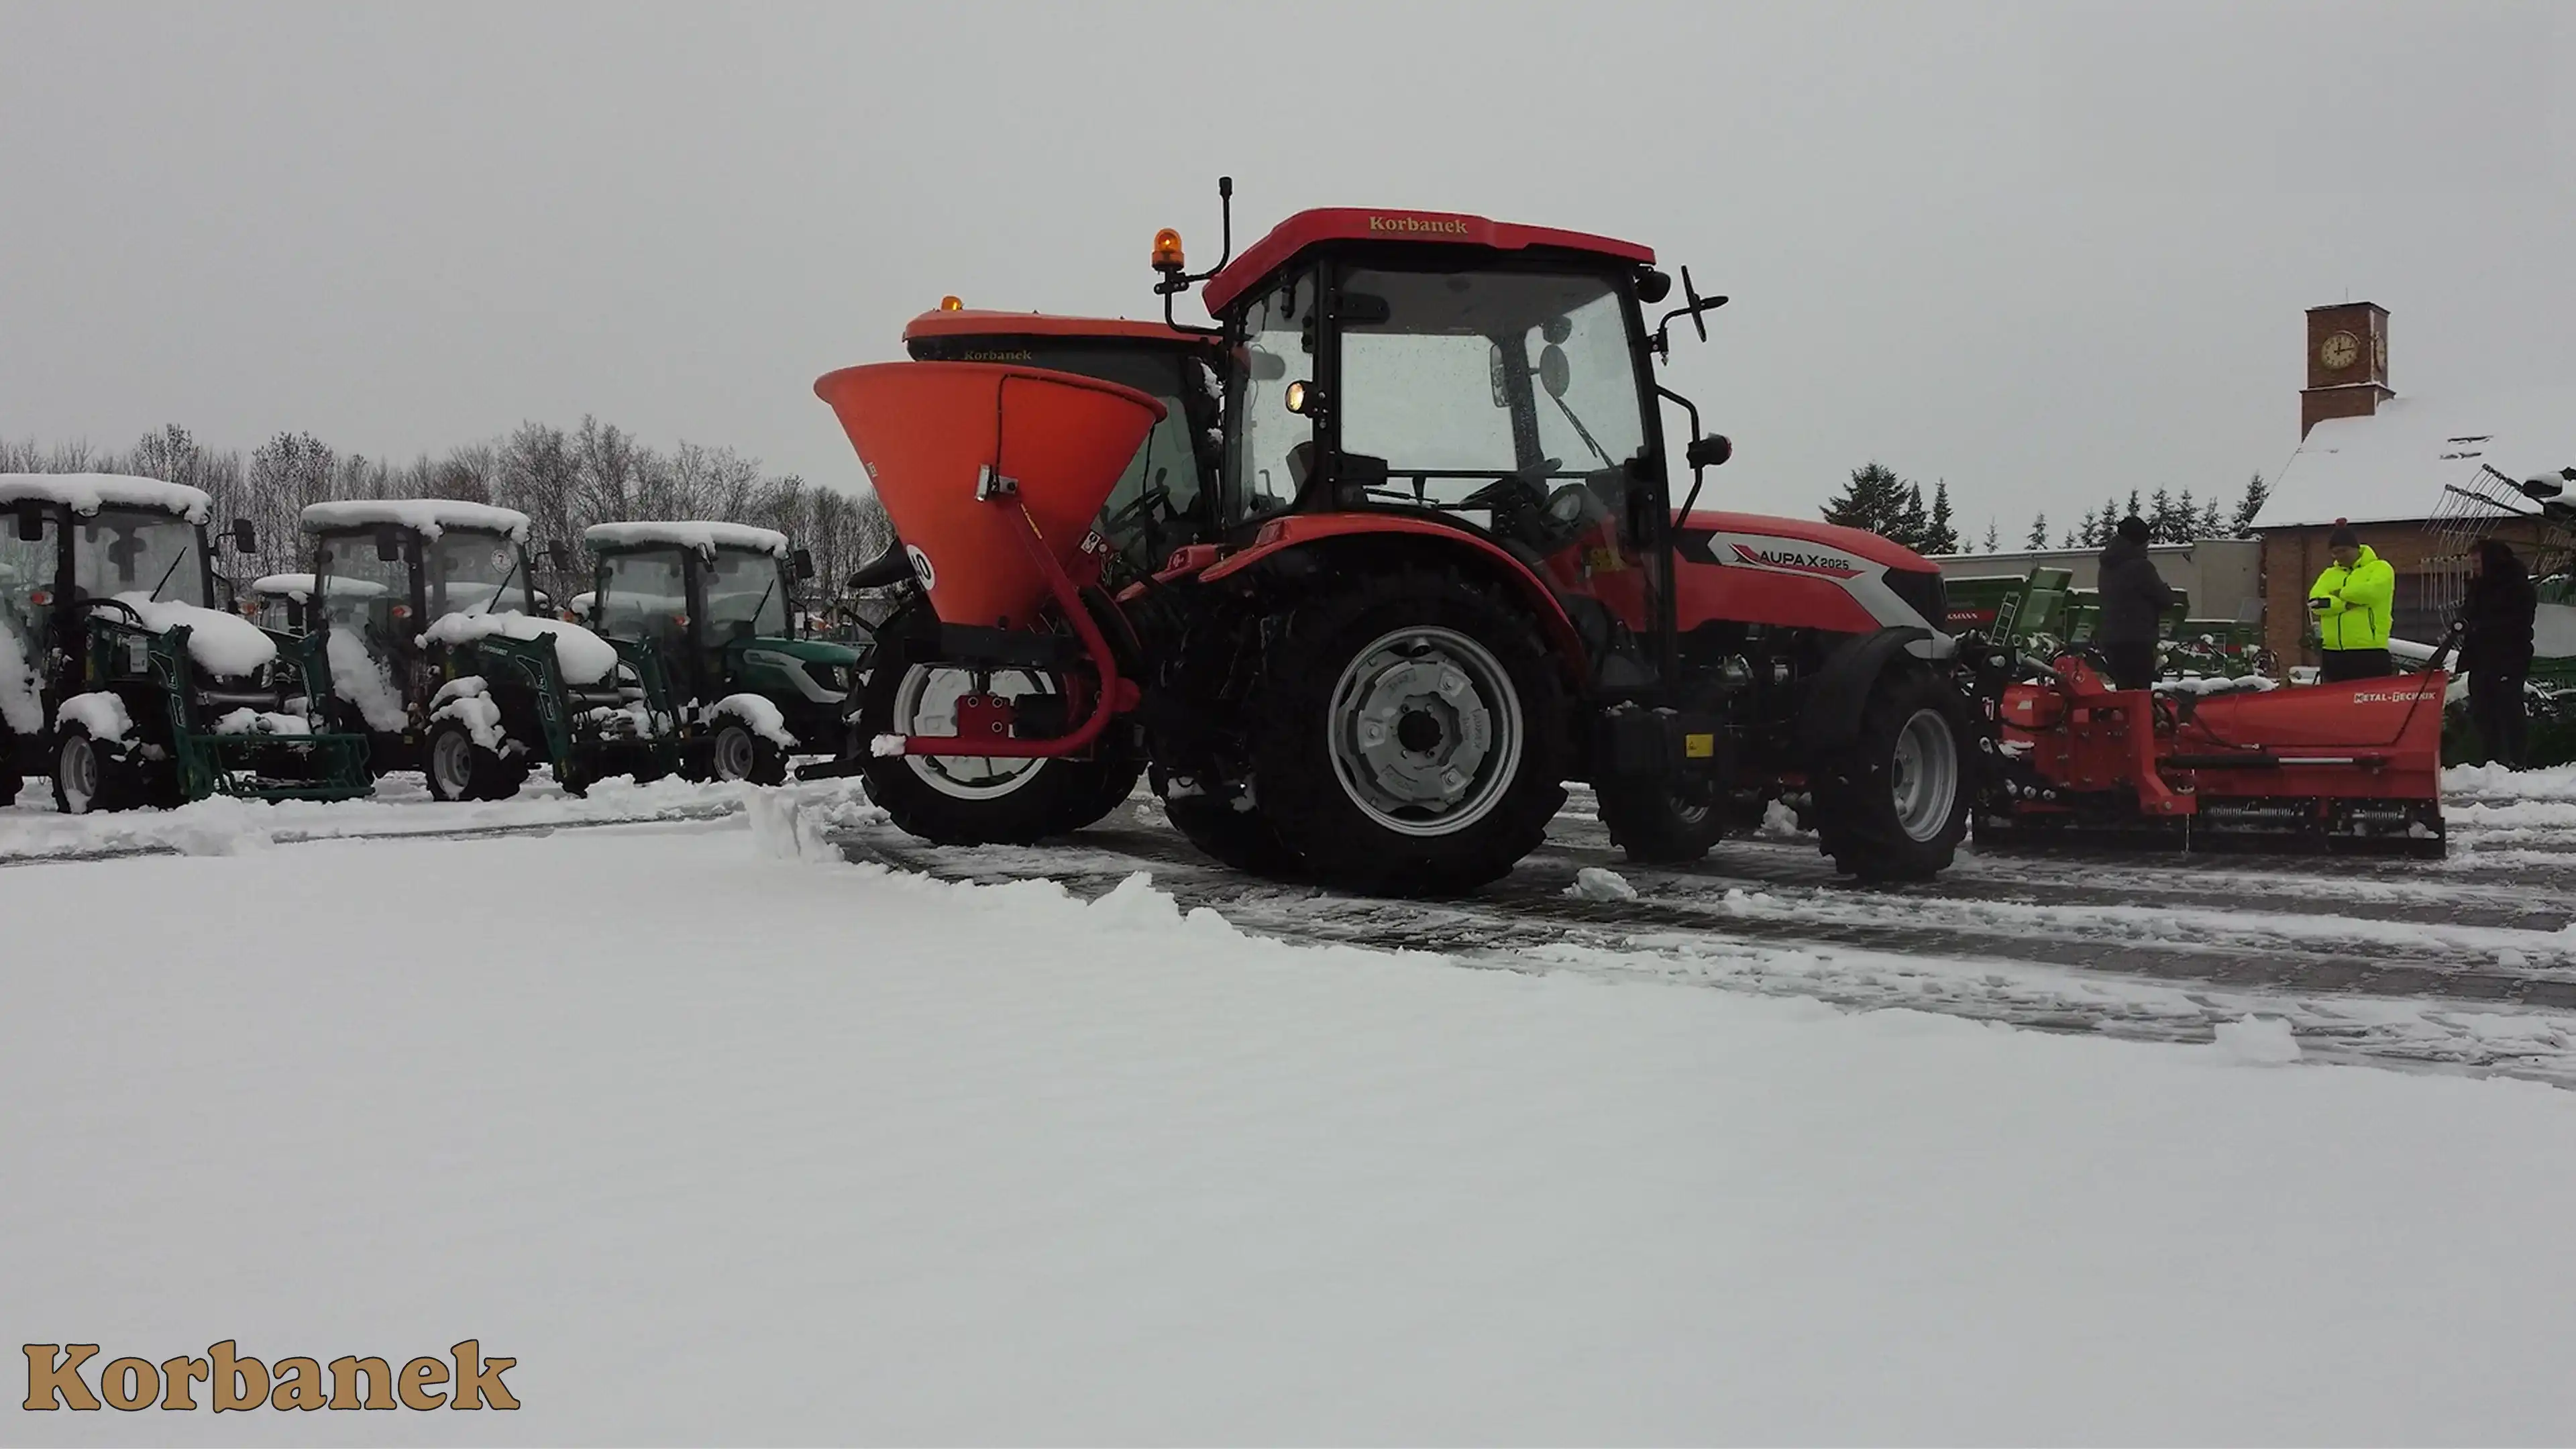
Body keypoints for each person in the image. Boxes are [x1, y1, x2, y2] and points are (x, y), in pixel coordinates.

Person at [2459, 538, 2537, 769]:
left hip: (2508, 655)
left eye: (2476, 561)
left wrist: (2482, 625)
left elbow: (2519, 621)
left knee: (2508, 705)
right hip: (2480, 655)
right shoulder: (2478, 586)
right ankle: (2490, 759)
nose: (2473, 567)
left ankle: (2515, 759)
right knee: (2482, 707)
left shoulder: (2516, 586)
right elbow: (2469, 614)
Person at [2307, 521, 2395, 681]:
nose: (2339, 556)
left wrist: (2339, 593)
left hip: (2369, 652)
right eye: (2334, 553)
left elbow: (2371, 593)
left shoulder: (2380, 568)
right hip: (2332, 653)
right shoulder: (2329, 574)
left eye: (2343, 551)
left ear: (2356, 548)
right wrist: (2346, 604)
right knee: (2334, 703)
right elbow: (2315, 603)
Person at [2095, 515, 2175, 690]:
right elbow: (2166, 600)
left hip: (2112, 641)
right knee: (2139, 697)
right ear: (2138, 542)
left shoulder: (2106, 567)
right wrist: (2167, 590)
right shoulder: (2141, 567)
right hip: (2138, 642)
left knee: (2125, 695)